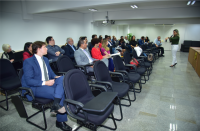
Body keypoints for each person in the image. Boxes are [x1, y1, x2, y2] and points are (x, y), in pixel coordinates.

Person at [21, 41, 72, 131]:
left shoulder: (45, 59)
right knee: (60, 93)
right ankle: (60, 121)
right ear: (38, 49)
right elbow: (29, 81)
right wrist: (45, 83)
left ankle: (56, 104)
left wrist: (56, 77)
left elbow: (51, 73)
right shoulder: (28, 62)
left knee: (63, 78)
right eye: (44, 47)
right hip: (36, 87)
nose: (47, 48)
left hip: (48, 83)